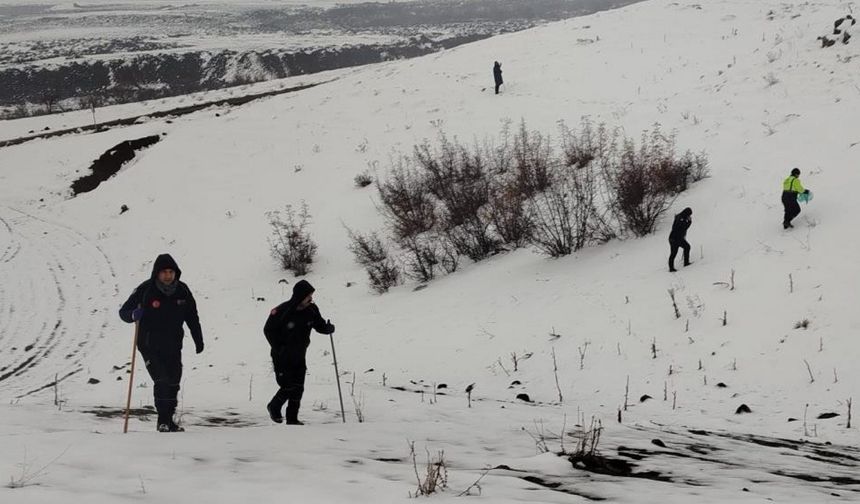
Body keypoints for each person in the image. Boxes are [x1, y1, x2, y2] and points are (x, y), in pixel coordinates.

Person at [119, 253, 204, 432]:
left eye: (171, 272)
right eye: (164, 272)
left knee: (174, 381)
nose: (168, 275)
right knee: (162, 379)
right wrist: (133, 315)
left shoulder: (183, 291)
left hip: (173, 344)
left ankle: (168, 420)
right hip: (149, 344)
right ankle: (163, 421)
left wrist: (198, 339)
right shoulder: (145, 290)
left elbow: (192, 317)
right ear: (157, 273)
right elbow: (124, 312)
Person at [264, 280, 335, 425]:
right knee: (288, 386)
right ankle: (274, 406)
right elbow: (268, 330)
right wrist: (280, 348)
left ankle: (292, 419)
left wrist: (328, 329)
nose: (311, 299)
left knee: (298, 388)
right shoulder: (282, 311)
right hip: (281, 356)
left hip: (299, 354)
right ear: (299, 296)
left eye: (311, 296)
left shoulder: (312, 310)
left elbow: (319, 325)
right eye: (308, 296)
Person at [668, 207, 693, 272]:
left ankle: (686, 262)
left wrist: (687, 221)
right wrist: (689, 222)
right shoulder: (680, 218)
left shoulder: (681, 217)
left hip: (679, 238)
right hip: (674, 239)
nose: (689, 216)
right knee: (673, 253)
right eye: (689, 215)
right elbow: (682, 228)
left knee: (687, 247)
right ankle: (671, 268)